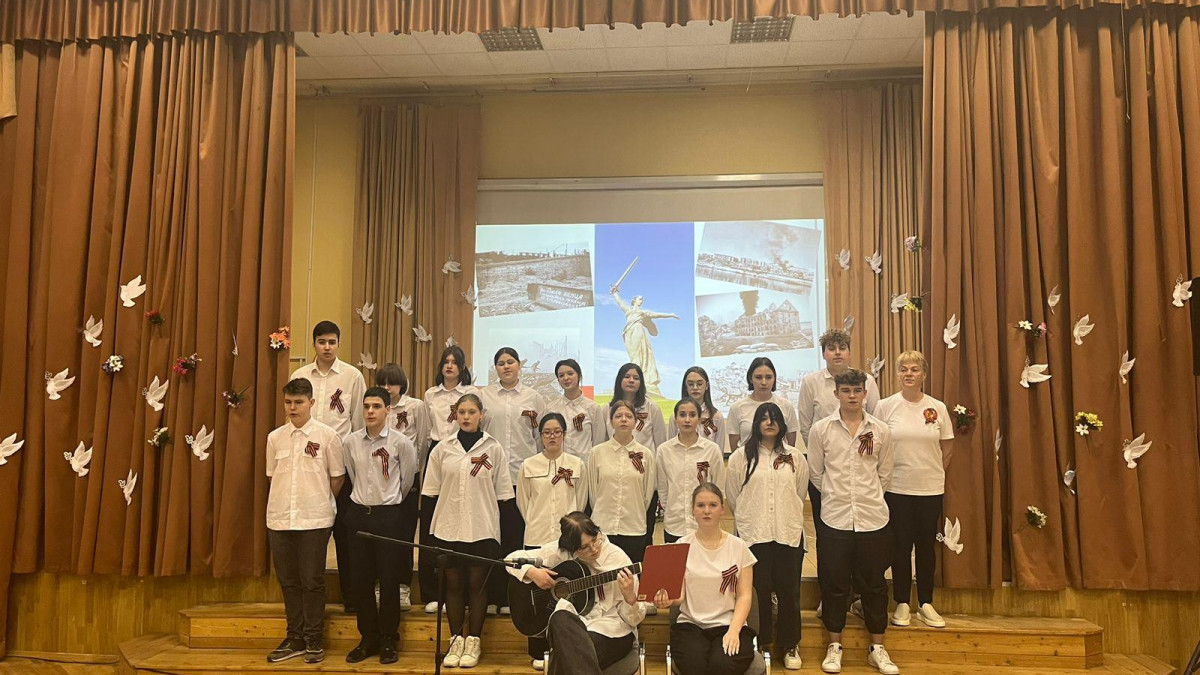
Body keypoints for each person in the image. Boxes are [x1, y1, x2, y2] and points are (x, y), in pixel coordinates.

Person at [807, 369, 898, 675]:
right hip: (835, 519)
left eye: (857, 390)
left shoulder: (881, 430)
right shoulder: (821, 430)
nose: (851, 396)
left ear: (865, 393)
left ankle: (877, 648)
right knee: (834, 585)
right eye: (845, 390)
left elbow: (885, 474)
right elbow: (816, 474)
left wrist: (867, 498)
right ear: (836, 394)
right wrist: (838, 497)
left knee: (874, 586)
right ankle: (835, 646)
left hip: (872, 519)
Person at [421, 393, 513, 669]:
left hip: (481, 527)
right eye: (461, 412)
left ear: (481, 415)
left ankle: (473, 640)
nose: (466, 417)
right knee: (453, 584)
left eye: (472, 412)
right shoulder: (442, 449)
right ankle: (455, 640)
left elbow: (503, 494)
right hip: (448, 527)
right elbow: (430, 492)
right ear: (456, 415)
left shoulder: (493, 448)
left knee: (476, 584)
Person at [797, 329, 882, 620]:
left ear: (849, 351)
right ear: (823, 353)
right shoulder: (811, 382)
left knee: (860, 539)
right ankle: (831, 596)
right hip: (824, 473)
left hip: (862, 474)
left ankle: (857, 597)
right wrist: (827, 462)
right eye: (831, 348)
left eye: (842, 347)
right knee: (829, 539)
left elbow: (875, 421)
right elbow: (806, 426)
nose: (836, 352)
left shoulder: (866, 380)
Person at [265, 378, 346, 665]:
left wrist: (318, 500)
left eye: (298, 402)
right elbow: (273, 476)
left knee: (312, 580)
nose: (293, 407)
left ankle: (313, 638)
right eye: (288, 402)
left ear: (311, 403)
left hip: (315, 519)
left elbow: (337, 477)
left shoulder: (327, 436)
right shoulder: (275, 437)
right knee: (289, 582)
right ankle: (294, 638)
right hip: (280, 519)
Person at [873, 351, 954, 629]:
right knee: (900, 546)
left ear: (924, 375)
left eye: (915, 369)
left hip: (930, 489)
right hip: (896, 488)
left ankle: (926, 603)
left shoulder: (937, 407)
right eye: (904, 369)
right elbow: (877, 447)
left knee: (926, 547)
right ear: (897, 375)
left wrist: (930, 472)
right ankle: (903, 602)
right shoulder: (885, 407)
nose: (909, 374)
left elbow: (947, 448)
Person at [506, 512, 644, 674]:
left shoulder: (618, 559)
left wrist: (630, 598)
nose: (594, 549)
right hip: (574, 628)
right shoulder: (562, 553)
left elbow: (633, 620)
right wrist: (532, 572)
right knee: (559, 618)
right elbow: (510, 560)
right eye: (584, 547)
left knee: (565, 657)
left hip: (612, 631)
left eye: (595, 540)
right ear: (572, 549)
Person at [725, 402, 809, 670]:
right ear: (756, 423)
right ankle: (761, 643)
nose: (769, 422)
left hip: (787, 532)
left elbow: (799, 493)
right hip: (754, 534)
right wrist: (751, 519)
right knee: (757, 591)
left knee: (789, 592)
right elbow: (733, 496)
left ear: (782, 424)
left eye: (774, 418)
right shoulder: (740, 457)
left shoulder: (795, 456)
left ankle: (790, 644)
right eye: (764, 418)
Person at [341, 387, 419, 664]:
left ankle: (388, 638)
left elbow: (407, 481)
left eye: (376, 406)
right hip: (359, 514)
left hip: (389, 516)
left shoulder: (401, 443)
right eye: (366, 407)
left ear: (388, 410)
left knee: (388, 579)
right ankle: (368, 637)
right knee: (361, 579)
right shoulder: (351, 442)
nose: (370, 411)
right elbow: (352, 475)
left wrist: (388, 503)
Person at [291, 321, 365, 613]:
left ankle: (352, 597)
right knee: (311, 536)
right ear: (314, 343)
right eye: (322, 342)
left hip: (341, 464)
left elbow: (358, 422)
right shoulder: (300, 375)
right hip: (309, 466)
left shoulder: (352, 376)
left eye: (332, 342)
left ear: (338, 344)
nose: (327, 347)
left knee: (345, 535)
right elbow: (293, 420)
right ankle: (310, 601)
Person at [654, 483, 757, 675]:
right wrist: (666, 600)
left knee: (722, 665)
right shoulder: (681, 545)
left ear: (722, 509)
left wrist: (734, 630)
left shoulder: (739, 547)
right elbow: (679, 596)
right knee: (695, 667)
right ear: (693, 510)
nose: (707, 510)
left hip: (729, 624)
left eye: (713, 505)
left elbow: (745, 595)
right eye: (701, 505)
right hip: (691, 626)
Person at [481, 347, 547, 615]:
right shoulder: (484, 396)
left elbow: (540, 438)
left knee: (516, 539)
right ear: (495, 368)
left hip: (522, 476)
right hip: (491, 478)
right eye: (500, 363)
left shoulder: (534, 398)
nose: (506, 367)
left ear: (519, 365)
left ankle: (512, 598)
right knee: (491, 539)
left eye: (510, 362)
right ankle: (492, 596)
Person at [420, 345, 481, 613]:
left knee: (463, 521)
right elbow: (426, 430)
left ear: (462, 367)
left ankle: (462, 595)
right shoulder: (430, 394)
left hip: (465, 451)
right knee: (433, 524)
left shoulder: (472, 393)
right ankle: (433, 593)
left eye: (455, 362)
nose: (449, 366)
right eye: (446, 361)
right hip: (438, 452)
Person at [376, 363, 428, 612]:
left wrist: (414, 468)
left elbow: (424, 440)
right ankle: (380, 585)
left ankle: (403, 587)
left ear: (402, 384)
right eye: (383, 383)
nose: (387, 388)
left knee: (404, 534)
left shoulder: (415, 406)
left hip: (408, 475)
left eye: (392, 383)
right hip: (381, 477)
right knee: (381, 534)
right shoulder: (377, 406)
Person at [606, 363, 666, 554]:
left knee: (644, 535)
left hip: (643, 479)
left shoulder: (652, 408)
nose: (631, 380)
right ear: (619, 380)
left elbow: (661, 446)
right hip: (614, 477)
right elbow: (601, 444)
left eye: (636, 377)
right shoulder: (606, 408)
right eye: (627, 376)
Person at [588, 400, 657, 565]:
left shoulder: (646, 455)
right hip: (603, 528)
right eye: (618, 416)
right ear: (611, 421)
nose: (624, 420)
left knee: (631, 575)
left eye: (629, 416)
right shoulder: (597, 453)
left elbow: (647, 495)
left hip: (634, 528)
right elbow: (593, 493)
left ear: (635, 422)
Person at [657, 397, 726, 543]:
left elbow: (719, 487)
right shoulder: (664, 450)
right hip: (675, 525)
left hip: (704, 524)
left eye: (692, 415)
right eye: (682, 415)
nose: (687, 420)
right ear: (675, 419)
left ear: (699, 419)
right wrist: (671, 509)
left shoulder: (712, 450)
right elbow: (663, 488)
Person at [518, 413, 589, 549]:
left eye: (557, 432)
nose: (552, 436)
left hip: (567, 536)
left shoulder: (577, 464)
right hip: (536, 536)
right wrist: (532, 519)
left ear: (564, 434)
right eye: (547, 432)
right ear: (541, 435)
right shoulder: (528, 465)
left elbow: (580, 500)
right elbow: (523, 501)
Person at [610, 282, 681, 398]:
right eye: (640, 299)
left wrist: (670, 314)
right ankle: (636, 377)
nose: (641, 301)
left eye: (642, 299)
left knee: (638, 355)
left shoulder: (643, 313)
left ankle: (639, 378)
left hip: (638, 331)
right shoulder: (629, 311)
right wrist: (615, 293)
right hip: (628, 333)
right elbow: (620, 303)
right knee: (633, 355)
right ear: (634, 301)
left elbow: (657, 315)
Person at [727, 357, 799, 451]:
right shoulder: (737, 407)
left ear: (774, 379)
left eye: (768, 377)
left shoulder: (786, 405)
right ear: (750, 379)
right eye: (758, 377)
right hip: (747, 459)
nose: (764, 382)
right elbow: (734, 448)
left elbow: (791, 445)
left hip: (778, 459)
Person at [546, 359, 608, 461]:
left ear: (579, 375)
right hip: (558, 465)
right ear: (558, 380)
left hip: (584, 466)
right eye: (561, 375)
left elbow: (599, 442)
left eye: (570, 374)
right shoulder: (551, 408)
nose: (566, 378)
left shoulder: (593, 408)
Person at [669, 366, 728, 455]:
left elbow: (719, 452)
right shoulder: (675, 416)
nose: (695, 388)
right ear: (685, 386)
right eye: (690, 384)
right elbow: (671, 448)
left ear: (707, 386)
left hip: (707, 462)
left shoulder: (716, 416)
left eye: (699, 384)